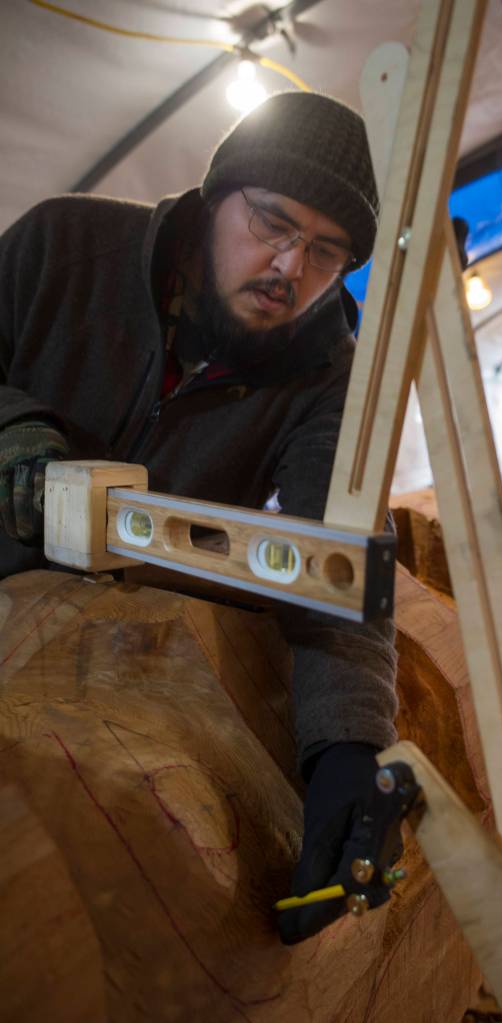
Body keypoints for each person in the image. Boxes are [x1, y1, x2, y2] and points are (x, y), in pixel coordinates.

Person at [0, 90, 399, 943]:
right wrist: (19, 442)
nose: (290, 268)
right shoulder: (61, 245)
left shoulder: (328, 374)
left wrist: (347, 749)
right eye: (271, 223)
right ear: (215, 195)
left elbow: (338, 559)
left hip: (93, 679)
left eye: (326, 253)